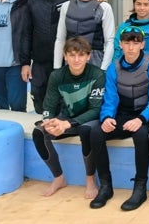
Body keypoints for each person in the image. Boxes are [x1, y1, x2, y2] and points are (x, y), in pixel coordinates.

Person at [89, 26, 149, 210]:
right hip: (123, 114)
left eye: (135, 42)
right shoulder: (113, 68)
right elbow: (110, 98)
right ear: (120, 44)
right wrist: (107, 117)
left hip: (145, 115)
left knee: (141, 135)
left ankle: (140, 188)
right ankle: (106, 186)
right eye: (127, 43)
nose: (131, 47)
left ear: (142, 44)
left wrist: (141, 119)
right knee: (96, 133)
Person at [32, 37, 104, 198]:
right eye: (72, 55)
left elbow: (95, 110)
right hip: (66, 120)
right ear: (65, 56)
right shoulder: (57, 76)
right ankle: (59, 178)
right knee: (38, 132)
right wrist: (49, 122)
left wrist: (67, 124)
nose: (76, 59)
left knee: (87, 131)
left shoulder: (97, 75)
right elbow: (48, 106)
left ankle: (90, 180)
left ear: (88, 56)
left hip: (87, 121)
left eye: (81, 55)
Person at [21, 0, 72, 114]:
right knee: (40, 103)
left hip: (65, 62)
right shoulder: (33, 1)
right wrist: (25, 63)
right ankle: (43, 135)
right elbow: (26, 33)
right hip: (40, 63)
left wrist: (101, 1)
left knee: (65, 103)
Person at [54, 0, 115, 70]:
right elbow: (60, 39)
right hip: (71, 59)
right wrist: (57, 67)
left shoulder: (104, 7)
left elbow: (110, 41)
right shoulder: (66, 6)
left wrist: (104, 69)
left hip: (95, 60)